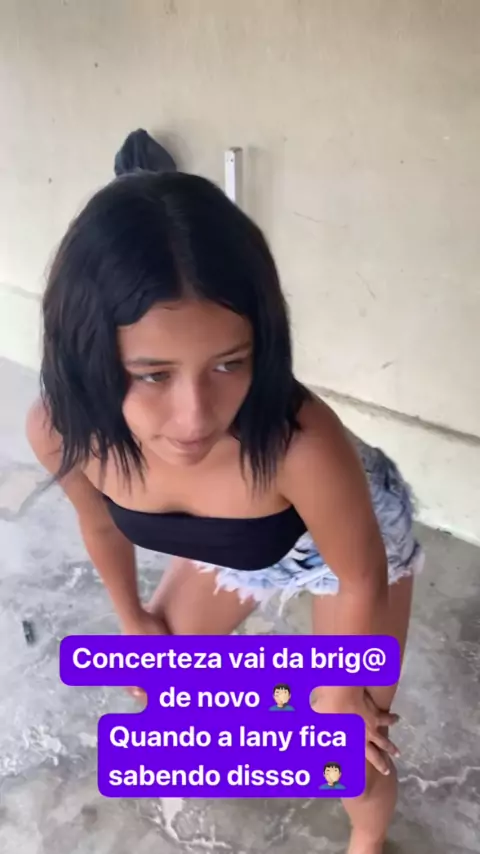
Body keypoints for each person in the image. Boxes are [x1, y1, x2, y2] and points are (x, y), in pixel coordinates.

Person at [27, 130, 424, 854]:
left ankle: (368, 841)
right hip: (234, 543)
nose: (195, 419)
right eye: (152, 374)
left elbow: (361, 573)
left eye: (229, 364)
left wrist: (340, 695)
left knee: (347, 747)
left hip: (343, 543)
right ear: (87, 357)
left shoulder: (300, 442)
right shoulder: (62, 431)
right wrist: (132, 619)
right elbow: (102, 525)